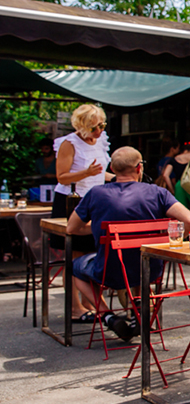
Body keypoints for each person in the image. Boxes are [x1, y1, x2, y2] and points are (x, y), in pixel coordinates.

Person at [66, 147, 190, 339]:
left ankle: (108, 316)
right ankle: (137, 310)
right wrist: (168, 243)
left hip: (109, 270)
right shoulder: (157, 192)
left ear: (112, 168)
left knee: (74, 266)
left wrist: (99, 228)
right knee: (137, 258)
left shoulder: (96, 194)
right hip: (150, 269)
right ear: (138, 169)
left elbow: (71, 228)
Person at [54, 103, 114, 321]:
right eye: (93, 127)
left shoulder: (101, 140)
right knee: (74, 256)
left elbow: (100, 174)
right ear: (81, 126)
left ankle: (91, 302)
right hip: (72, 200)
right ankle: (75, 307)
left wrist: (119, 178)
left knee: (93, 254)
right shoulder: (69, 143)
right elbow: (61, 176)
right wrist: (85, 172)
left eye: (101, 125)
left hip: (95, 199)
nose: (98, 131)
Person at [161, 139, 190, 213]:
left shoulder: (174, 159)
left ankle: (184, 225)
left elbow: (165, 175)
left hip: (180, 185)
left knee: (181, 212)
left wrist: (172, 190)